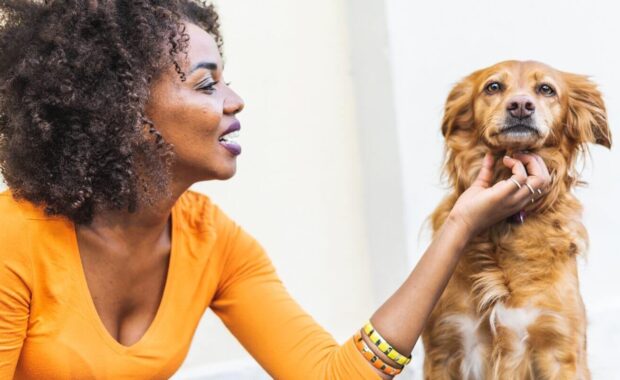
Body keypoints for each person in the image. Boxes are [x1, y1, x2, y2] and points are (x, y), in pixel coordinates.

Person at [0, 1, 551, 379]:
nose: (234, 100)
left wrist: (459, 225)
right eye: (206, 83)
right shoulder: (13, 242)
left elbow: (331, 376)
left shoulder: (212, 242)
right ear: (121, 112)